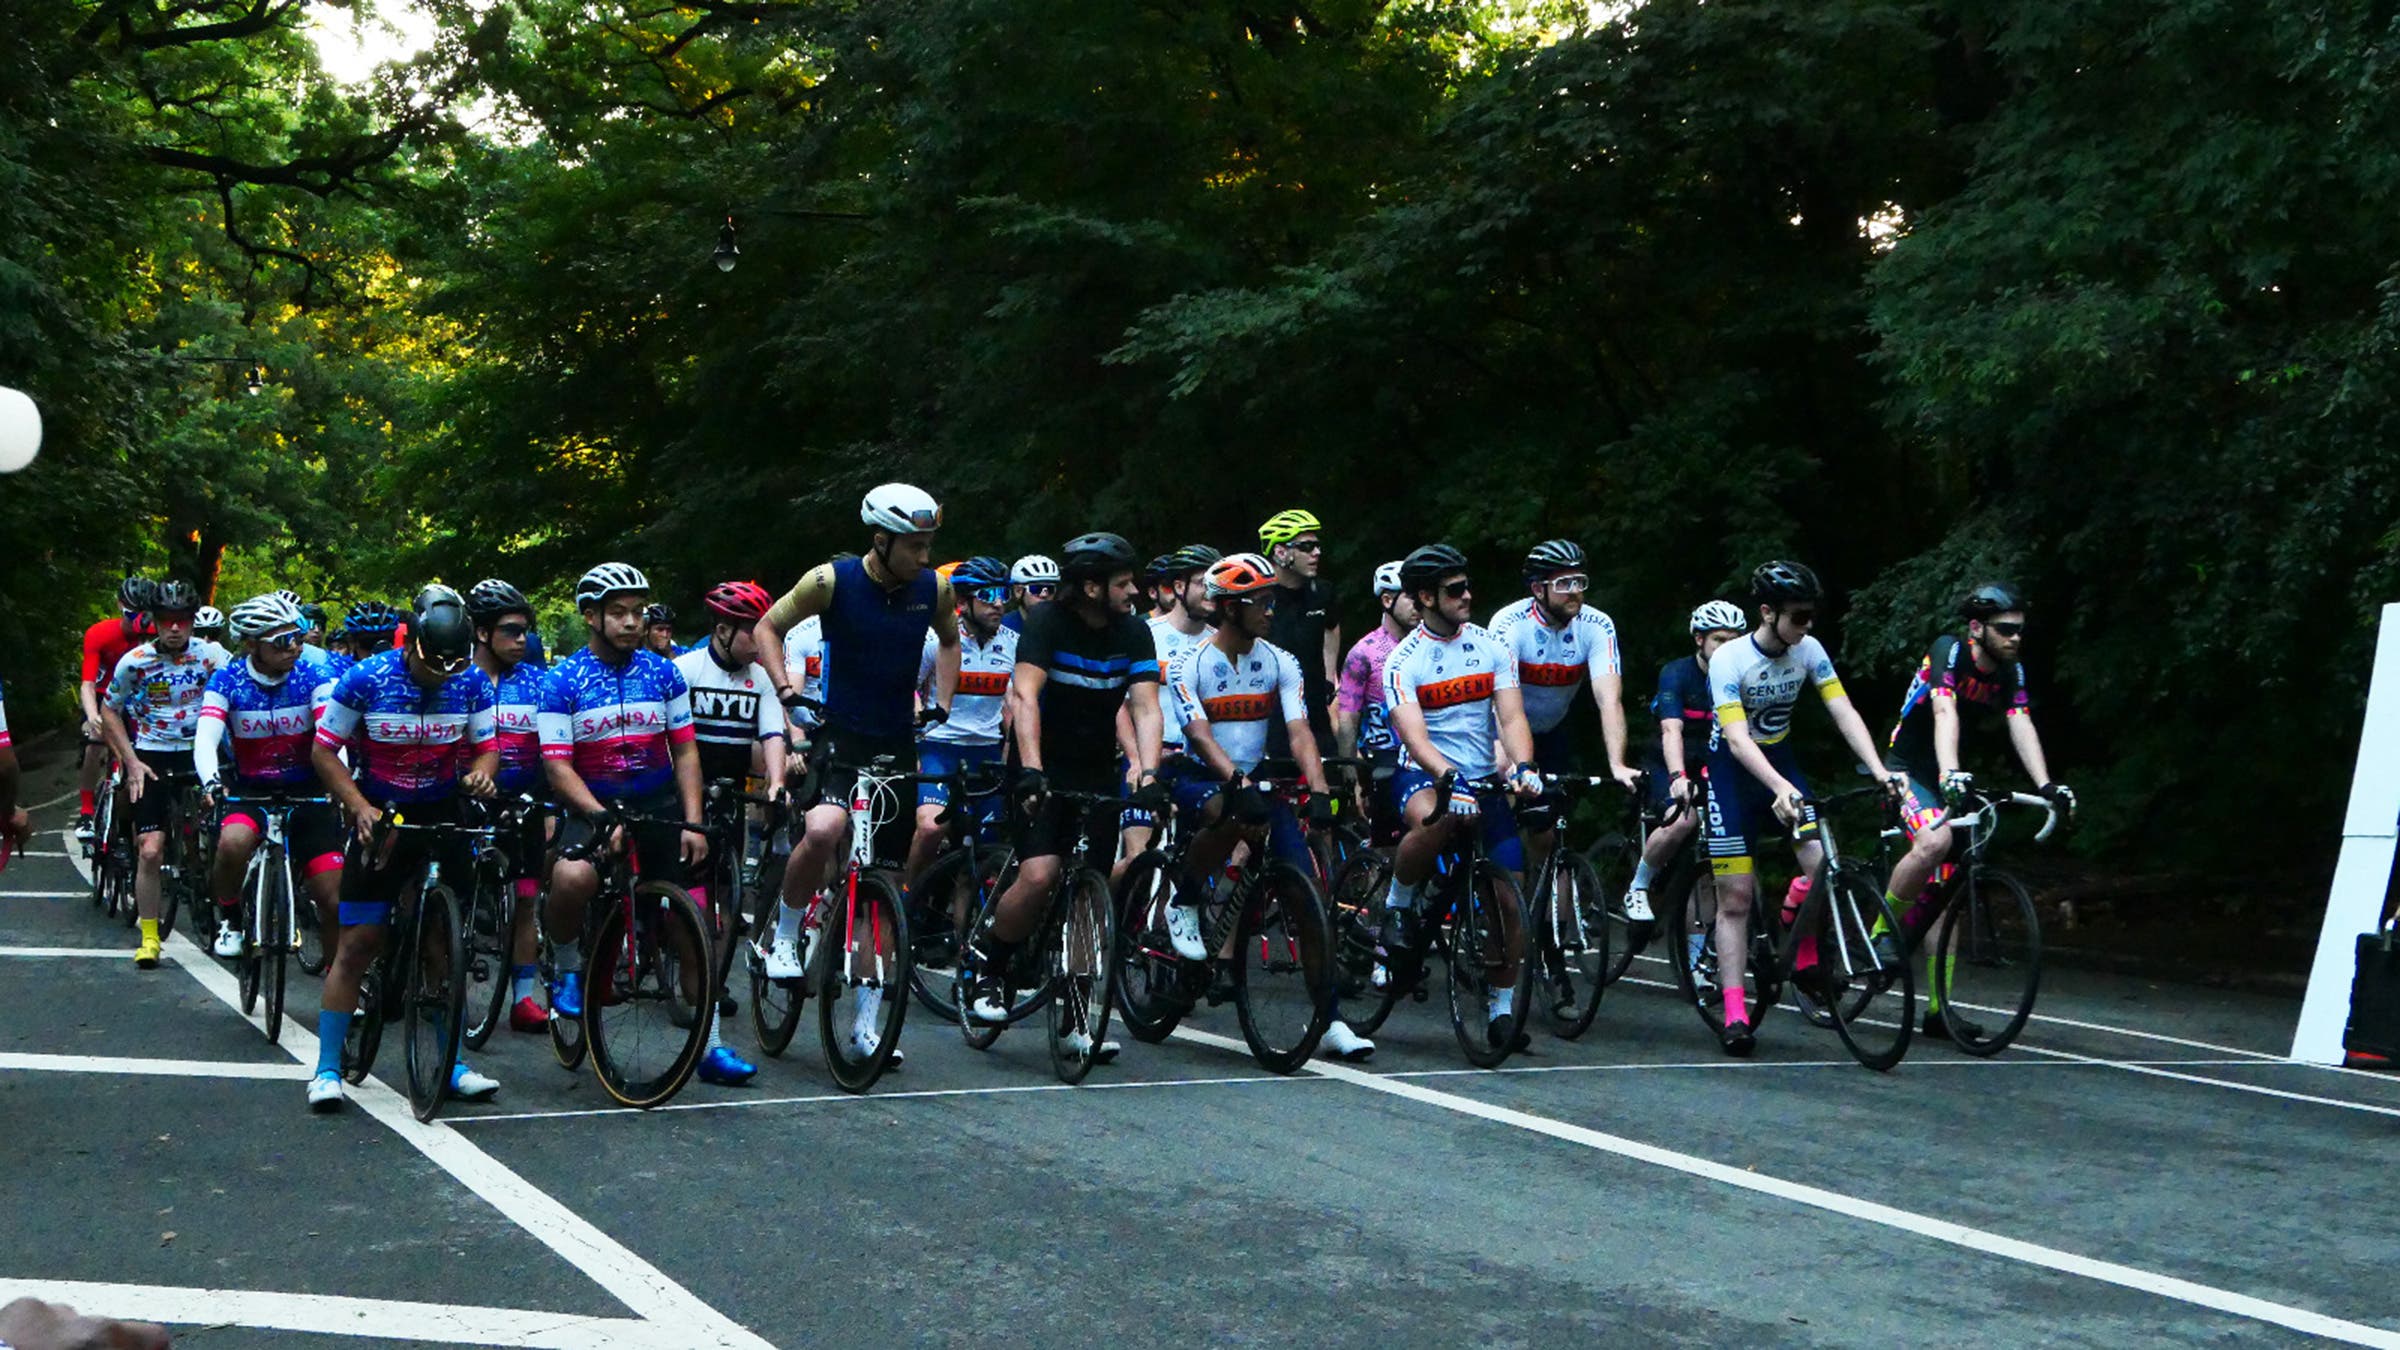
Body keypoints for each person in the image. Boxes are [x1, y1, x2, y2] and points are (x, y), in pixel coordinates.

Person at [752, 486, 957, 1063]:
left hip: (896, 742)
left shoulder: (935, 588)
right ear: (881, 540)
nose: (925, 556)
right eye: (915, 546)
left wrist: (941, 703)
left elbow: (949, 641)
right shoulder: (831, 581)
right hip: (840, 735)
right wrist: (786, 691)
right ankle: (785, 934)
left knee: (882, 884)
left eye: (928, 544)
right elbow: (767, 628)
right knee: (823, 829)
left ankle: (866, 1025)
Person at [1165, 553, 1373, 1061]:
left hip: (1256, 779)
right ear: (1230, 608)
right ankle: (1184, 898)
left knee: (1307, 898)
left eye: (1271, 601)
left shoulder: (1280, 660)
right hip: (1200, 774)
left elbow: (1300, 731)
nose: (1270, 611)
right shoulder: (1190, 663)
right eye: (1260, 602)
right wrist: (1236, 782)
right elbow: (1199, 734)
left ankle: (1330, 1020)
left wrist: (1320, 791)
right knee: (1227, 809)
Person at [966, 531, 1161, 1066]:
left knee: (1086, 897)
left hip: (1097, 768)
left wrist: (1149, 774)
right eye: (1124, 583)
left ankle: (1076, 1015)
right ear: (1092, 587)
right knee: (1040, 875)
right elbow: (1025, 696)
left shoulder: (1134, 631)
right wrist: (1030, 770)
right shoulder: (1047, 623)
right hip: (1043, 764)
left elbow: (1145, 707)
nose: (1135, 592)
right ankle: (991, 968)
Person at [308, 585, 502, 1111]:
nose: (442, 674)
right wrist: (357, 806)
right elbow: (324, 751)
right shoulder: (365, 678)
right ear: (412, 641)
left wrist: (482, 775)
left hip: (441, 808)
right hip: (381, 810)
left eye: (452, 664)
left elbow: (488, 749)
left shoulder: (471, 681)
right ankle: (327, 1069)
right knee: (359, 942)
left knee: (443, 943)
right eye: (432, 662)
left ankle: (452, 1063)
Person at [1702, 561, 1904, 1057]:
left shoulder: (1809, 649)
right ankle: (1734, 1012)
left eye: (1812, 616)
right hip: (1732, 772)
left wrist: (1879, 769)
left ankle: (1804, 948)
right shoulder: (1730, 659)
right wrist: (1777, 787)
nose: (1806, 625)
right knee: (1736, 898)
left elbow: (1842, 709)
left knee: (1821, 869)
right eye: (1797, 616)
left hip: (1781, 761)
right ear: (1767, 613)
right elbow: (1736, 738)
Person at [538, 563, 724, 1071]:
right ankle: (567, 965)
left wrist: (692, 822)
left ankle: (711, 1045)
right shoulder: (561, 681)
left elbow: (685, 751)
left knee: (692, 919)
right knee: (572, 878)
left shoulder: (663, 672)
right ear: (590, 617)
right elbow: (556, 766)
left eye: (638, 612)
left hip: (656, 802)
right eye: (618, 612)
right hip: (592, 801)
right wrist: (600, 817)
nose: (631, 622)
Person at [1880, 582, 2074, 1038]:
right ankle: (1880, 933)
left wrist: (2046, 785)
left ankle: (1938, 1010)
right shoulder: (1949, 651)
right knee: (1934, 842)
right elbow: (1944, 711)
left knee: (1949, 889)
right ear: (1976, 628)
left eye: (2019, 630)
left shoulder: (2011, 670)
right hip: (1909, 768)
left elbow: (2020, 721)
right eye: (2005, 629)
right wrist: (1949, 773)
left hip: (1950, 772)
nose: (2015, 637)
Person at [1373, 544, 1543, 1051]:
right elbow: (1414, 737)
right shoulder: (1404, 660)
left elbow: (1511, 717)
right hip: (1425, 775)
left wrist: (1524, 767)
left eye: (1467, 586)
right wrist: (1450, 778)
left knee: (1508, 900)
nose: (1467, 596)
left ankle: (1501, 1010)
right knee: (1438, 819)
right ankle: (1398, 904)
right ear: (1425, 597)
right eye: (1455, 590)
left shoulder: (1491, 646)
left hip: (1482, 778)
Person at [194, 594, 344, 960]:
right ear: (251, 644)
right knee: (232, 844)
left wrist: (341, 783)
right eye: (282, 640)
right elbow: (206, 738)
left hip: (307, 788)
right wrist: (210, 781)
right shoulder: (227, 680)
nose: (294, 647)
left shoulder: (313, 676)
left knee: (333, 898)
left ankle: (336, 977)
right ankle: (230, 916)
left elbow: (332, 736)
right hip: (251, 789)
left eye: (298, 636)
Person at [101, 578, 231, 968]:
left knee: (224, 835)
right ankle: (149, 937)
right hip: (152, 756)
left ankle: (228, 913)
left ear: (192, 620)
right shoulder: (135, 661)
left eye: (183, 620)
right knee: (150, 850)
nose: (175, 628)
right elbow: (109, 710)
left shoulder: (212, 655)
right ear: (154, 621)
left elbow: (239, 696)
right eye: (166, 620)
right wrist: (130, 761)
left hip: (200, 753)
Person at [1630, 600, 1747, 989]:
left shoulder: (1740, 675)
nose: (1727, 648)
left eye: (1734, 640)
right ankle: (1639, 885)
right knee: (1683, 820)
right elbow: (1671, 731)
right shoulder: (1677, 673)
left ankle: (1698, 962)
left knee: (1709, 865)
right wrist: (1679, 776)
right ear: (1699, 639)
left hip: (1712, 764)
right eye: (1719, 640)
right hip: (1668, 761)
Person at [466, 578, 558, 1035]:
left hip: (524, 801)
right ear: (482, 633)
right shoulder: (456, 679)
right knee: (452, 892)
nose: (522, 640)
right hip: (465, 800)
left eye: (526, 631)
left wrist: (549, 807)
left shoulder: (540, 683)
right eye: (511, 631)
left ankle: (523, 998)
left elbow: (554, 750)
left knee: (526, 900)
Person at [906, 556, 1016, 886]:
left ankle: (963, 917)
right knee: (931, 828)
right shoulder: (935, 639)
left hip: (986, 751)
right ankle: (907, 896)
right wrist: (916, 718)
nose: (999, 604)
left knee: (984, 851)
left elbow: (1016, 702)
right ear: (964, 602)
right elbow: (908, 686)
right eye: (989, 596)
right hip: (939, 746)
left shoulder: (1013, 643)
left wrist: (1012, 753)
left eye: (1003, 594)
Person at [1121, 543, 1218, 869]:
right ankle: (1107, 898)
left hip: (1193, 764)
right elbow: (1119, 705)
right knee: (1139, 858)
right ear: (1179, 587)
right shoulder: (1145, 634)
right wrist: (1135, 759)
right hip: (1145, 759)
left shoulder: (1219, 641)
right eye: (1204, 582)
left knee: (1190, 861)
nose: (1212, 591)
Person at [1333, 560, 1413, 837]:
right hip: (1383, 758)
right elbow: (1347, 718)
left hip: (1427, 752)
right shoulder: (1364, 653)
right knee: (1389, 847)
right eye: (1411, 597)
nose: (1420, 604)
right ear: (1387, 600)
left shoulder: (1430, 645)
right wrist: (1351, 777)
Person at [76, 575, 156, 848]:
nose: (137, 621)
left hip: (137, 697)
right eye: (131, 613)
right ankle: (86, 812)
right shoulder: (100, 633)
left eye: (144, 614)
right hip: (102, 695)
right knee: (94, 743)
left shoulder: (155, 635)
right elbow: (88, 684)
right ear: (120, 605)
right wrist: (92, 717)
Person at [1257, 509, 1340, 757]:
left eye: (1317, 545)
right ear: (1280, 552)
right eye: (1306, 546)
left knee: (1328, 774)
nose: (1317, 552)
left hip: (1315, 706)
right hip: (1272, 711)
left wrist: (1329, 679)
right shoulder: (1260, 596)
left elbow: (1331, 627)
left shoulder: (1322, 592)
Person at [1000, 554, 1059, 634]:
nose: (1044, 595)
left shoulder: (1066, 629)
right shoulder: (999, 630)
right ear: (1018, 591)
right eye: (1036, 589)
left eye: (1050, 589)